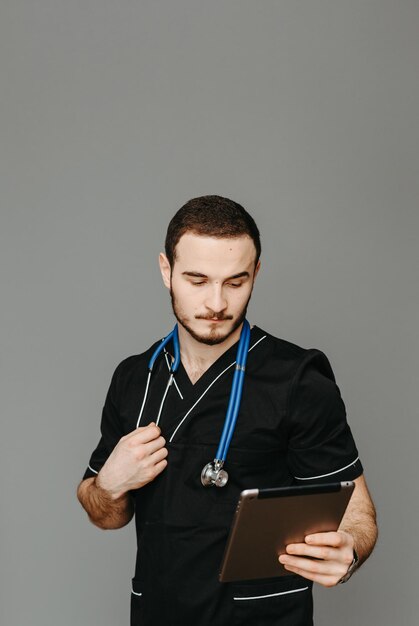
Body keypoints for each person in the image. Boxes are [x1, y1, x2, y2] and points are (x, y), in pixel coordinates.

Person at [77, 195, 377, 626]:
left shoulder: (297, 379)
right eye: (197, 280)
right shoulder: (133, 378)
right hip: (158, 613)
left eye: (235, 283)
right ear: (167, 271)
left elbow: (357, 510)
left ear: (256, 273)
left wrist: (348, 548)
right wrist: (108, 485)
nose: (216, 303)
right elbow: (103, 511)